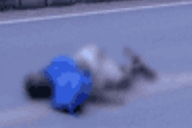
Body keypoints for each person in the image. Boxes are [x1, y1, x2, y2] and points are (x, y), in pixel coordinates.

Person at [24, 44, 156, 114]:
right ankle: (129, 66)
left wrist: (110, 100)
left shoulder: (63, 89)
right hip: (87, 53)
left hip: (94, 65)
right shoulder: (52, 68)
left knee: (121, 83)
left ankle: (137, 65)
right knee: (109, 74)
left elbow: (92, 91)